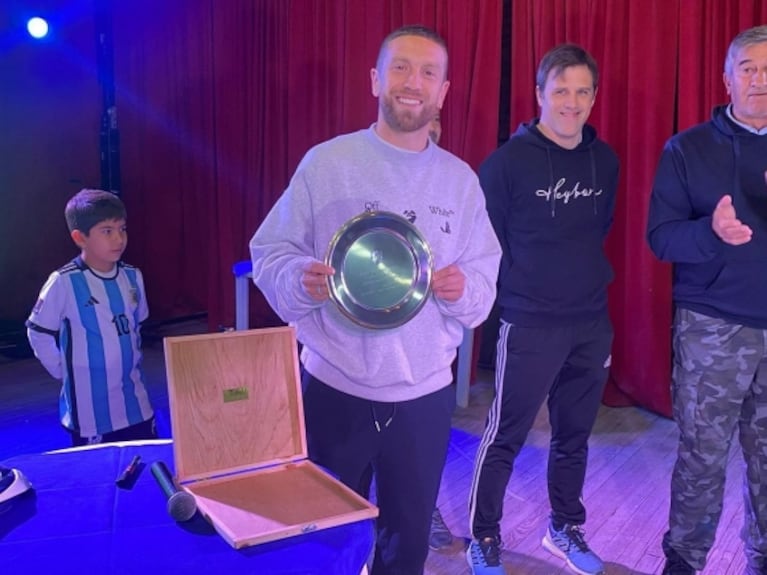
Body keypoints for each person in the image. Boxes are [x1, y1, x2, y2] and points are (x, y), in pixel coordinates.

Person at [250, 25, 501, 575]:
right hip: (333, 389)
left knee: (405, 548)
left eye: (428, 72)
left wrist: (464, 290)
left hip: (423, 398)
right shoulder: (327, 163)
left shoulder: (460, 183)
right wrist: (298, 280)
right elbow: (270, 251)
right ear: (375, 79)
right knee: (323, 545)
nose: (413, 82)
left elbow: (484, 288)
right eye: (400, 68)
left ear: (443, 91)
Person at [467, 44, 619, 575]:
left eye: (582, 92)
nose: (571, 102)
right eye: (560, 91)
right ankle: (484, 535)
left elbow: (598, 230)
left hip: (591, 321)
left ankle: (564, 528)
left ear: (593, 97)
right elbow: (489, 242)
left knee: (574, 435)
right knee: (505, 435)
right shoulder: (505, 164)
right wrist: (525, 290)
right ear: (539, 94)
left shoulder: (605, 161)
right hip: (529, 321)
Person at [646, 25, 767, 575]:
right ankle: (684, 561)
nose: (759, 80)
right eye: (747, 68)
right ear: (727, 80)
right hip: (713, 329)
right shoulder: (688, 149)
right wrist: (710, 233)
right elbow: (661, 237)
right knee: (702, 457)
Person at [26, 188, 156, 446]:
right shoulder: (64, 282)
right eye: (107, 231)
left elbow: (137, 325)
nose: (118, 238)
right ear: (80, 238)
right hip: (91, 415)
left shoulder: (133, 276)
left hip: (137, 404)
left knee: (147, 463)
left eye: (122, 229)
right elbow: (37, 332)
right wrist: (62, 370)